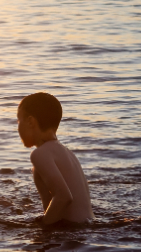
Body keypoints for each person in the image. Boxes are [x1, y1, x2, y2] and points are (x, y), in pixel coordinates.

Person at [16, 92, 93, 225]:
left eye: (18, 120)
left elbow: (63, 197)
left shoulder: (39, 154)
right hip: (88, 227)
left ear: (30, 121)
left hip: (72, 231)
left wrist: (43, 228)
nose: (17, 127)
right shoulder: (67, 153)